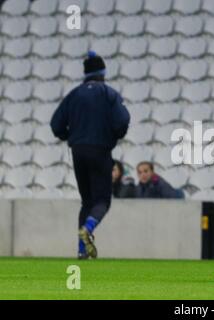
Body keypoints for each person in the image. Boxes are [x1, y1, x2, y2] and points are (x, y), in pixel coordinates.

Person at [50, 51, 130, 259]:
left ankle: (81, 249)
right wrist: (113, 135)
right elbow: (122, 122)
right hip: (100, 150)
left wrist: (70, 136)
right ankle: (88, 228)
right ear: (103, 73)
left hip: (77, 151)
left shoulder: (74, 95)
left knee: (86, 201)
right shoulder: (109, 94)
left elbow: (55, 124)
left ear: (85, 74)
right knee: (102, 200)